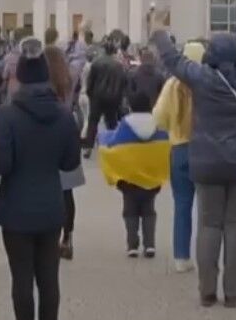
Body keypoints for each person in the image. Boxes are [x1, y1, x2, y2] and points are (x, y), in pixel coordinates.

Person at [151, 0, 236, 308]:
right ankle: (233, 293)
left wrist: (158, 27)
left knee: (209, 223)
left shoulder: (201, 78)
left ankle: (207, 290)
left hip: (208, 161)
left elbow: (172, 59)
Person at [0, 39, 81, 320]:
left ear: (20, 78)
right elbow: (70, 161)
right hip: (51, 206)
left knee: (21, 278)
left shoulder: (9, 114)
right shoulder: (62, 114)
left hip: (16, 207)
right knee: (49, 279)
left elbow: (1, 164)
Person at [100, 83, 171, 258]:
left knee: (130, 210)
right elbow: (166, 146)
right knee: (149, 210)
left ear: (131, 106)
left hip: (129, 179)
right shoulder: (158, 125)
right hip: (151, 177)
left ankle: (132, 245)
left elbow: (113, 143)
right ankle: (150, 245)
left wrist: (101, 138)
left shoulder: (125, 124)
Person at [152, 40, 203, 273]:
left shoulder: (172, 85)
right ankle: (207, 254)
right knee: (208, 208)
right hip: (205, 149)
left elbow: (159, 118)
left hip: (179, 149)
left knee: (182, 205)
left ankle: (181, 257)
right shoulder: (208, 82)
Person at [45, 44, 84, 260]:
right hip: (68, 128)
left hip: (47, 131)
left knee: (49, 186)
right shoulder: (68, 79)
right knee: (67, 190)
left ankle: (51, 235)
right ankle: (67, 237)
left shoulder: (43, 80)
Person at [81, 42, 130, 153]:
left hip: (97, 96)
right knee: (111, 121)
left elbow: (90, 82)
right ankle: (113, 144)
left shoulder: (96, 63)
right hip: (112, 97)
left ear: (103, 50)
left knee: (93, 121)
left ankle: (89, 146)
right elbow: (123, 82)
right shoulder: (118, 65)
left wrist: (90, 94)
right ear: (113, 51)